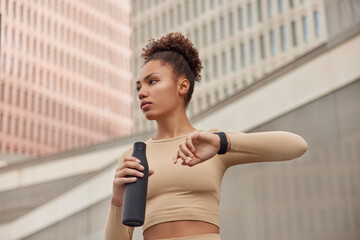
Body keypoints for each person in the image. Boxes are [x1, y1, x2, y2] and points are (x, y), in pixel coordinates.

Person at [104, 32, 308, 240]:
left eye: (152, 82)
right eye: (139, 87)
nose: (141, 92)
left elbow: (296, 146)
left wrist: (222, 142)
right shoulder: (134, 157)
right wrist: (117, 199)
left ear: (183, 86)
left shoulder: (210, 142)